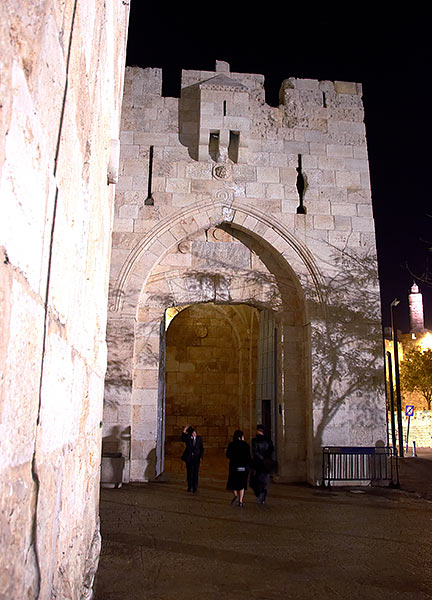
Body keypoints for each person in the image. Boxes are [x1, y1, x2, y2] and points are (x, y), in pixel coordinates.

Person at [250, 424, 275, 505]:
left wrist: (261, 459)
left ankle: (260, 493)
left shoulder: (254, 441)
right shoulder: (269, 440)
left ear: (258, 431)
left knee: (254, 481)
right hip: (267, 463)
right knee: (263, 480)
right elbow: (271, 450)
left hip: (258, 463)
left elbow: (255, 452)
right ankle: (262, 493)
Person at [226, 430, 251, 507]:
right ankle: (240, 501)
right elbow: (248, 456)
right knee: (242, 484)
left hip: (234, 467)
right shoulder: (246, 445)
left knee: (233, 483)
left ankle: (236, 496)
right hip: (243, 467)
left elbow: (228, 455)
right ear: (240, 437)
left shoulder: (231, 445)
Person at [181, 425, 204, 493]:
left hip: (196, 458)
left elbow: (201, 448)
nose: (194, 434)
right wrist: (184, 430)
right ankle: (189, 486)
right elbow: (183, 438)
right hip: (189, 458)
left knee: (195, 472)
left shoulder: (199, 439)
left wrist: (201, 457)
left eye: (195, 433)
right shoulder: (188, 438)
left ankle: (195, 487)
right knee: (189, 472)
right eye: (193, 433)